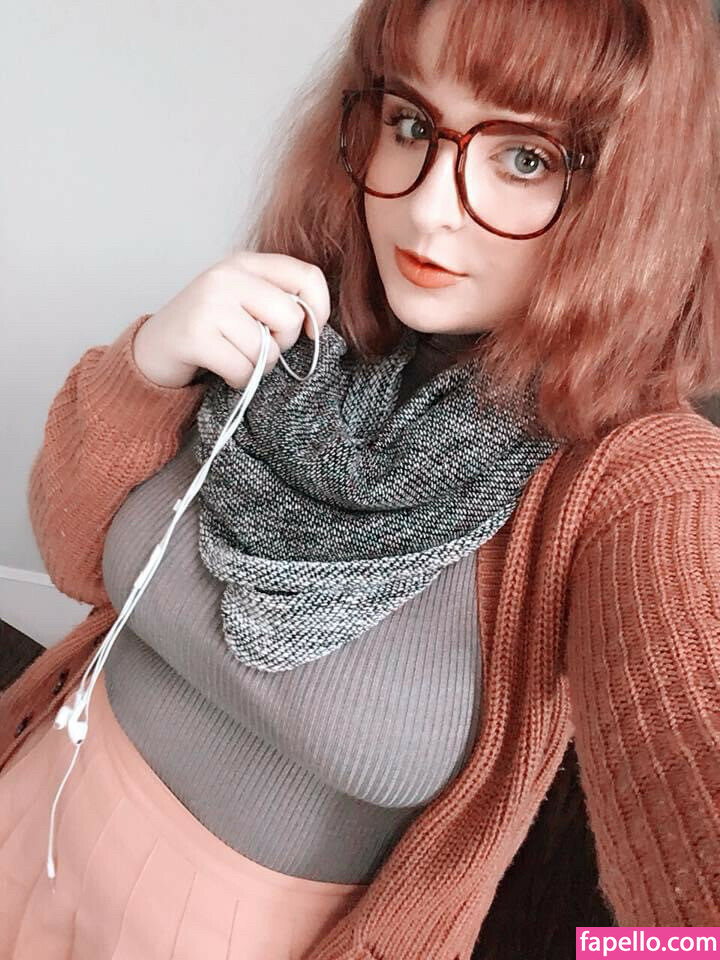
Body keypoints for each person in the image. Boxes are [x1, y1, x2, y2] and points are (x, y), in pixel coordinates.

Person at [1, 0, 720, 957]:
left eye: (527, 157)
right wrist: (145, 368)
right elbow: (72, 559)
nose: (428, 208)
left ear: (634, 195)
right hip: (36, 793)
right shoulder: (299, 318)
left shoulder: (633, 475)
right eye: (413, 124)